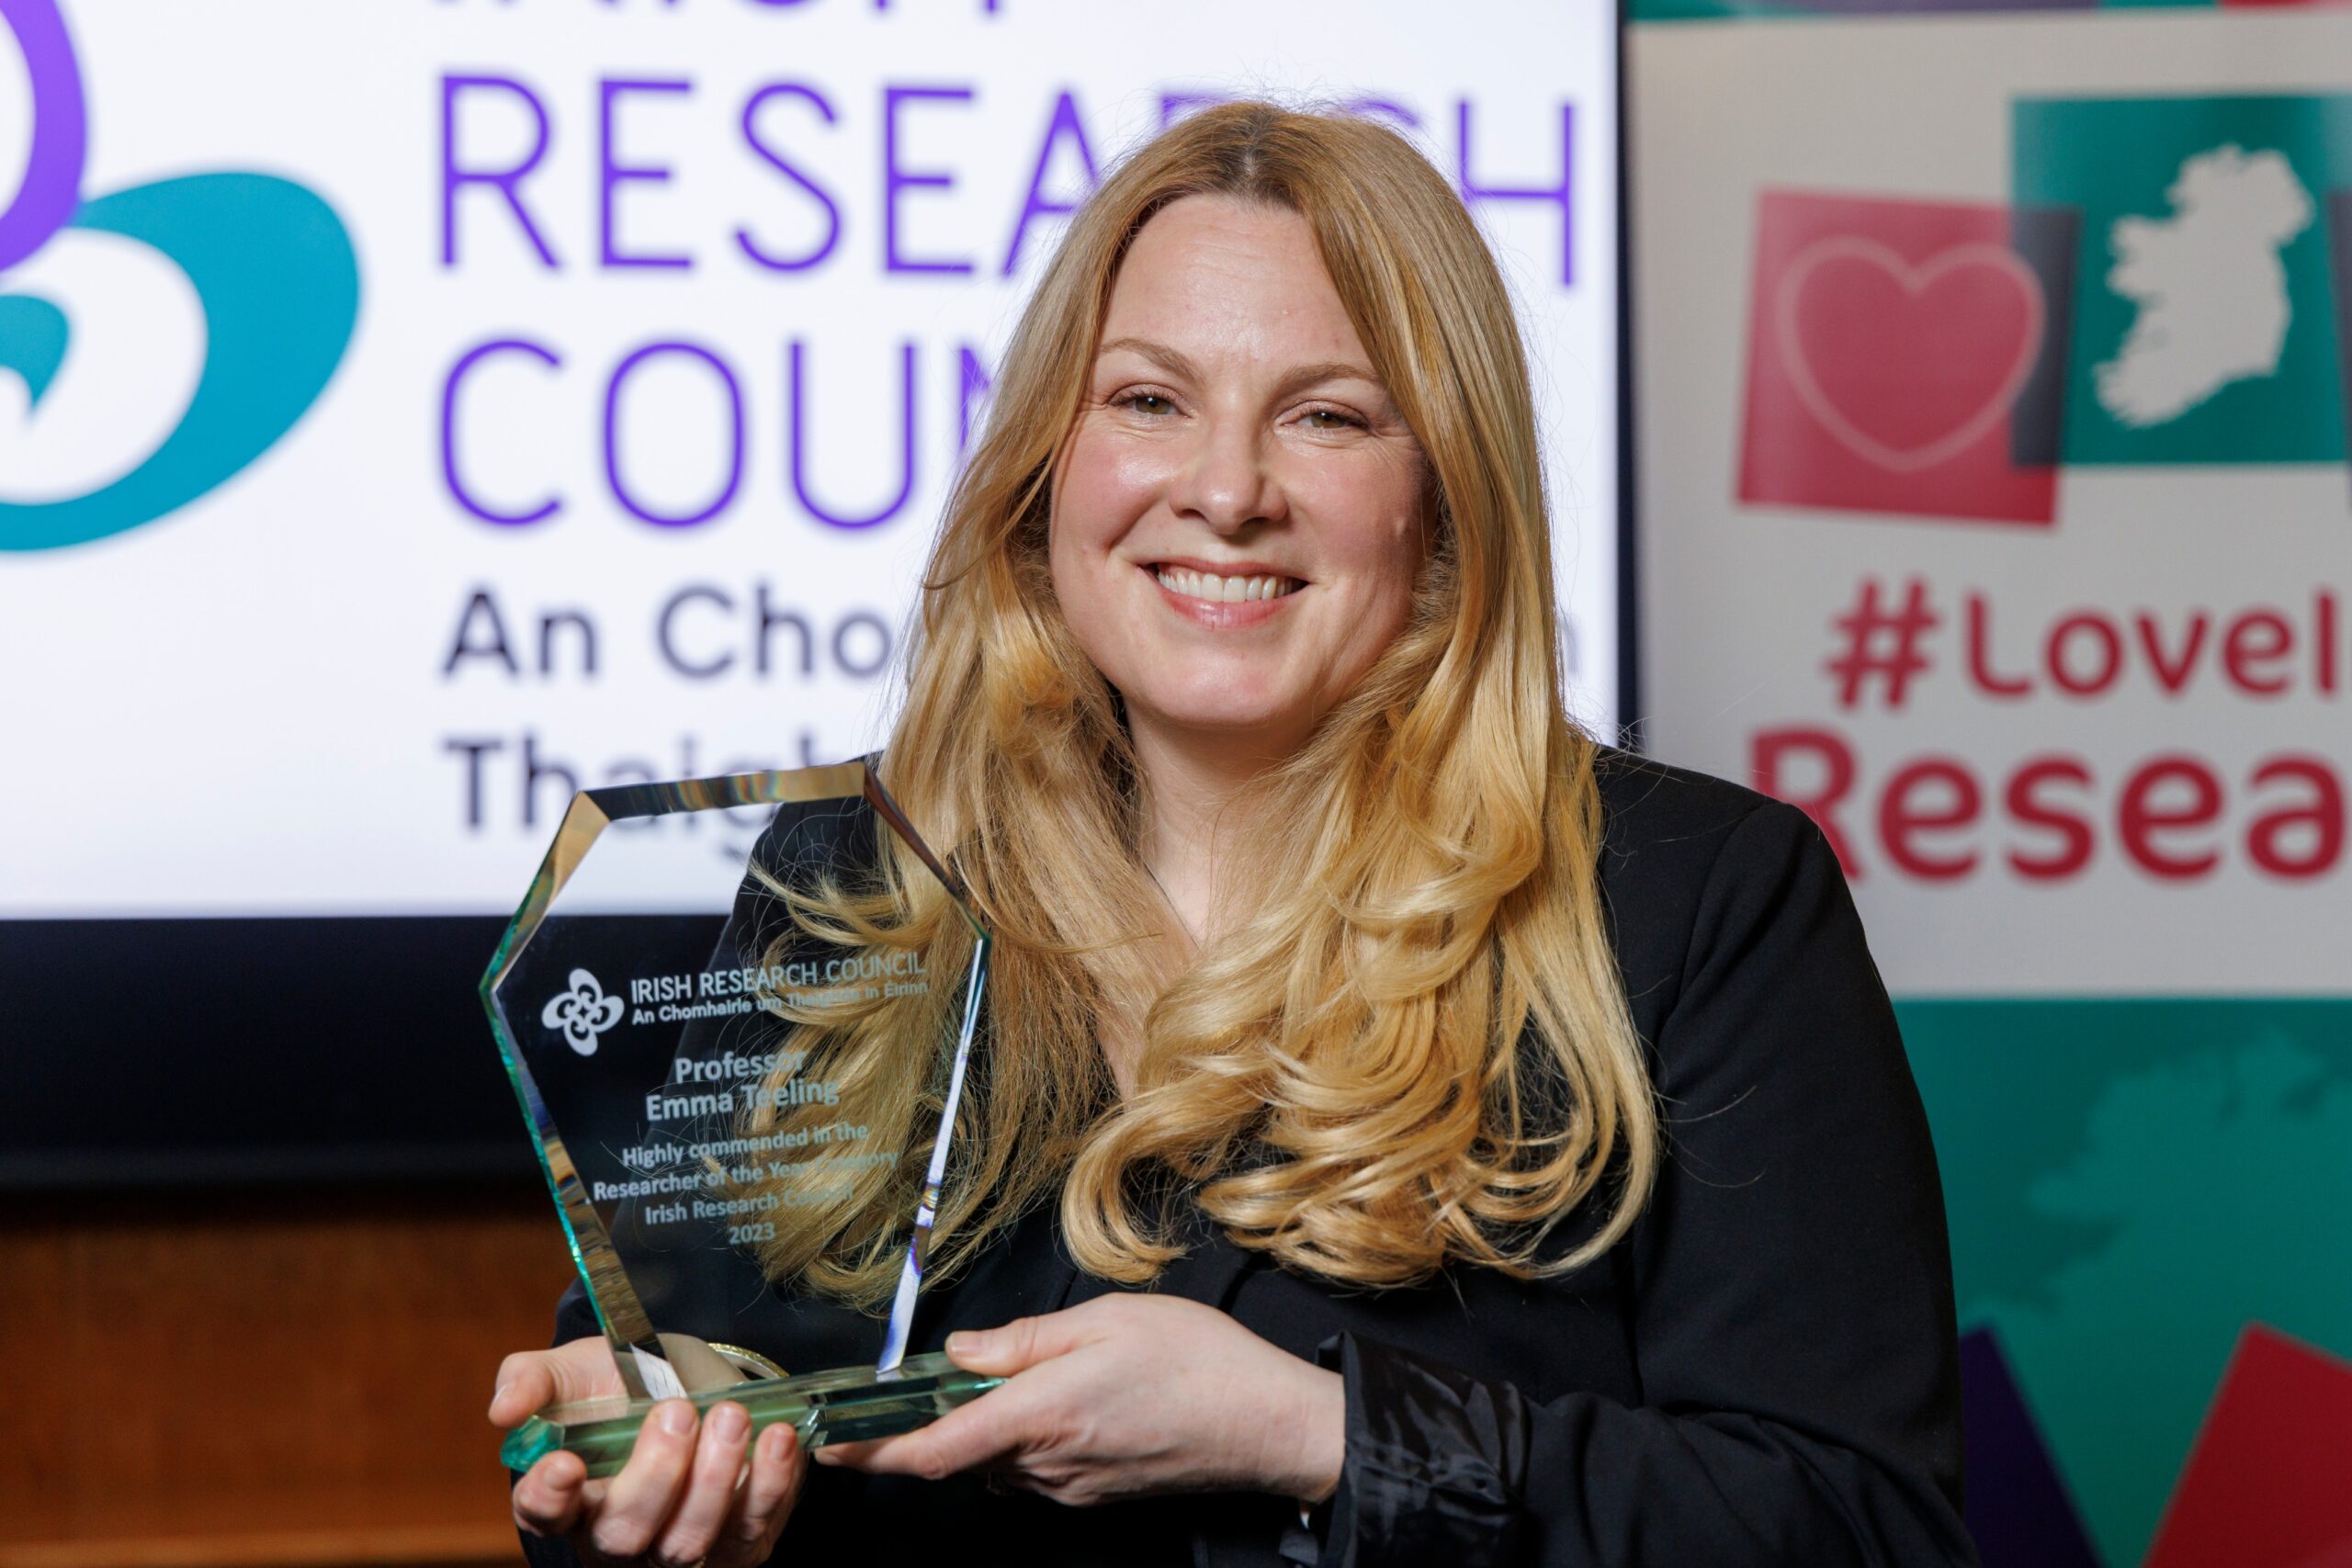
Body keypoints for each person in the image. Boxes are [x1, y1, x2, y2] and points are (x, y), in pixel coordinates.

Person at [489, 100, 1977, 1568]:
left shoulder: (1693, 905)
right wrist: (641, 1459)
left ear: (1443, 497)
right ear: (1046, 466)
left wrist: (1317, 1436)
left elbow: (1862, 1527)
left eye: (1326, 415)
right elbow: (705, 1394)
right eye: (1149, 401)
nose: (1224, 491)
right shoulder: (852, 887)